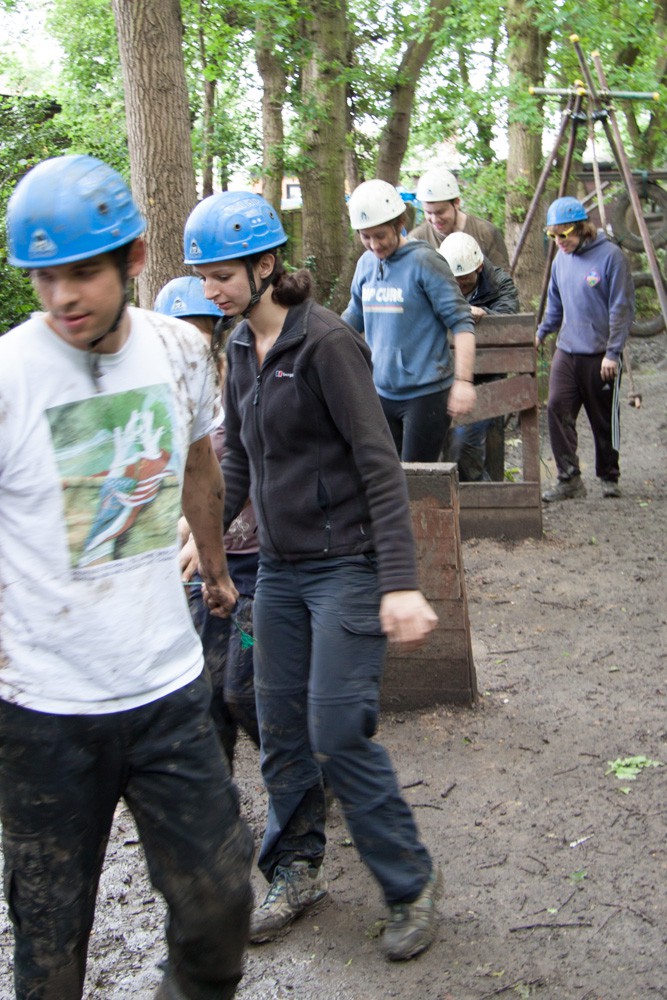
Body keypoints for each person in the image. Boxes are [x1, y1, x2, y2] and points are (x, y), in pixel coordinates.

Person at [0, 155, 254, 1000]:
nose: (62, 297)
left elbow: (200, 466)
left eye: (82, 274)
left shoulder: (180, 349)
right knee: (50, 946)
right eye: (44, 278)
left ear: (134, 260)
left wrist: (214, 570)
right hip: (42, 711)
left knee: (220, 903)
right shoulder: (9, 376)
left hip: (165, 691)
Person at [183, 189, 442, 962]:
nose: (210, 289)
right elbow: (237, 460)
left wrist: (399, 580)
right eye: (202, 276)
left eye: (221, 274)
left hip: (346, 569)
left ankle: (409, 882)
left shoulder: (326, 343)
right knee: (279, 728)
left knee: (335, 730)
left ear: (264, 264)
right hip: (278, 574)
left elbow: (378, 464)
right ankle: (294, 870)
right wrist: (203, 537)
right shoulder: (239, 346)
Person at [154, 276, 261, 767]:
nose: (189, 347)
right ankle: (218, 795)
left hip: (257, 560)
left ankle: (305, 776)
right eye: (178, 334)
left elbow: (249, 470)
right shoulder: (166, 400)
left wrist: (203, 535)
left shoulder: (243, 386)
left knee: (246, 691)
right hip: (206, 569)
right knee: (208, 693)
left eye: (199, 333)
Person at [342, 179, 477, 462]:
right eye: (366, 237)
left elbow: (462, 323)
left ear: (399, 223)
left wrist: (463, 381)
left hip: (426, 394)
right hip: (381, 391)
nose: (374, 245)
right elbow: (353, 316)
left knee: (416, 478)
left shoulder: (425, 262)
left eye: (380, 235)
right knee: (386, 475)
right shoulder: (366, 264)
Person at [535, 196, 634, 501]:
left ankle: (609, 475)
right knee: (556, 407)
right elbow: (555, 307)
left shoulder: (611, 257)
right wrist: (541, 333)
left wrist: (613, 353)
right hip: (567, 350)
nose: (558, 242)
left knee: (603, 419)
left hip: (600, 353)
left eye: (563, 234)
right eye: (552, 236)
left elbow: (621, 308)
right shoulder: (560, 261)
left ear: (581, 227)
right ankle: (569, 479)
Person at [438, 231, 520, 481]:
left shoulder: (500, 283)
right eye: (455, 281)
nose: (460, 287)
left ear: (479, 268)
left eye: (465, 281)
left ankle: (479, 491)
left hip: (487, 379)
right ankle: (475, 490)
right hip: (443, 375)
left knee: (462, 442)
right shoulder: (435, 279)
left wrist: (484, 314)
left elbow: (509, 318)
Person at [409, 166, 510, 268]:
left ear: (456, 203)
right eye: (428, 212)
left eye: (441, 212)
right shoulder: (417, 240)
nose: (435, 219)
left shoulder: (485, 233)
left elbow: (502, 276)